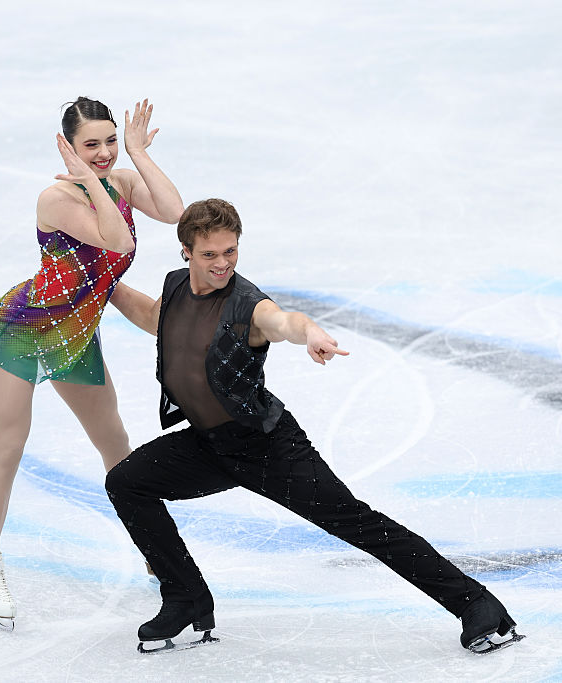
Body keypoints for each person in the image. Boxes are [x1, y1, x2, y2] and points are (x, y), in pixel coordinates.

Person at [106, 198, 523, 655]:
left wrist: (310, 333)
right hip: (209, 444)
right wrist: (106, 285)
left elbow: (283, 321)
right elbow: (156, 319)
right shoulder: (175, 286)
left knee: (357, 523)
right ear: (186, 251)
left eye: (230, 251)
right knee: (127, 482)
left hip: (266, 446)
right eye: (210, 254)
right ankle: (186, 598)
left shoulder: (246, 304)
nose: (222, 263)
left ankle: (476, 604)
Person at [0, 97, 184, 630]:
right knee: (9, 445)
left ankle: (156, 549)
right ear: (68, 147)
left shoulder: (122, 183)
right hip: (23, 330)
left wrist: (139, 154)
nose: (105, 153)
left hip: (75, 338)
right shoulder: (57, 198)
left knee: (116, 445)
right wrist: (89, 179)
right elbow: (117, 239)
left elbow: (175, 213)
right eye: (92, 145)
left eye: (111, 141)